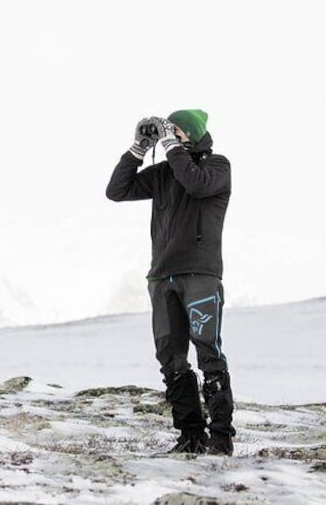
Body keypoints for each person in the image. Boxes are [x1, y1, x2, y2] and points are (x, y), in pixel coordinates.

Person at [105, 109, 235, 455]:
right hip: (162, 275)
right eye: (168, 131)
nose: (170, 136)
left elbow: (195, 182)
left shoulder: (217, 167)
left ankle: (221, 439)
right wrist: (137, 148)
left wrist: (169, 146)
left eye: (176, 130)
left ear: (191, 133)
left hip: (200, 274)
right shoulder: (165, 172)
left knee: (208, 351)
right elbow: (117, 190)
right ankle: (191, 437)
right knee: (171, 358)